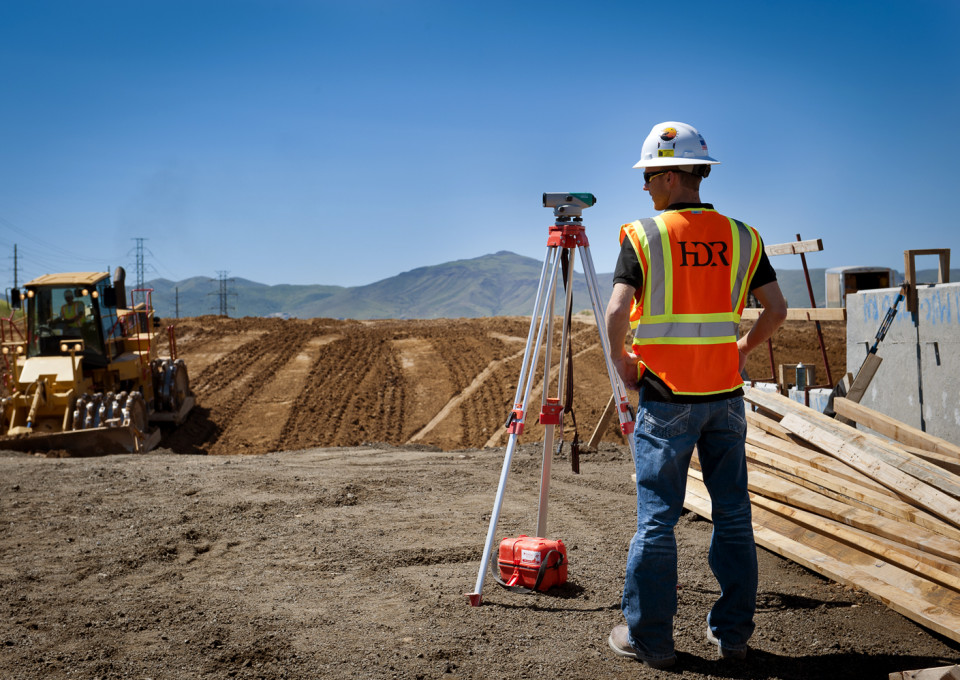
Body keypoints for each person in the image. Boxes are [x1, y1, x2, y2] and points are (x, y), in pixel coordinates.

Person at [604, 121, 787, 669]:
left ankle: (651, 641)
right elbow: (775, 310)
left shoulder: (643, 236)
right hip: (725, 396)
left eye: (648, 177)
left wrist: (622, 364)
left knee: (657, 519)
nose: (644, 189)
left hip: (665, 396)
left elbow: (616, 312)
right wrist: (742, 349)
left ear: (669, 174)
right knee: (733, 516)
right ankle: (732, 638)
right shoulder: (743, 236)